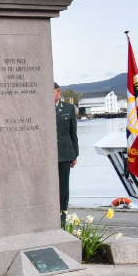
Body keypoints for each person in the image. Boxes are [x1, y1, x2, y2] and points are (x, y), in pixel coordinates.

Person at [55, 82, 79, 216]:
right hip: (48, 154)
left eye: (52, 92)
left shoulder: (68, 108)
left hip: (65, 153)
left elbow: (73, 132)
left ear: (59, 93)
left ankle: (62, 216)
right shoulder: (41, 108)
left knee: (63, 189)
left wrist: (75, 155)